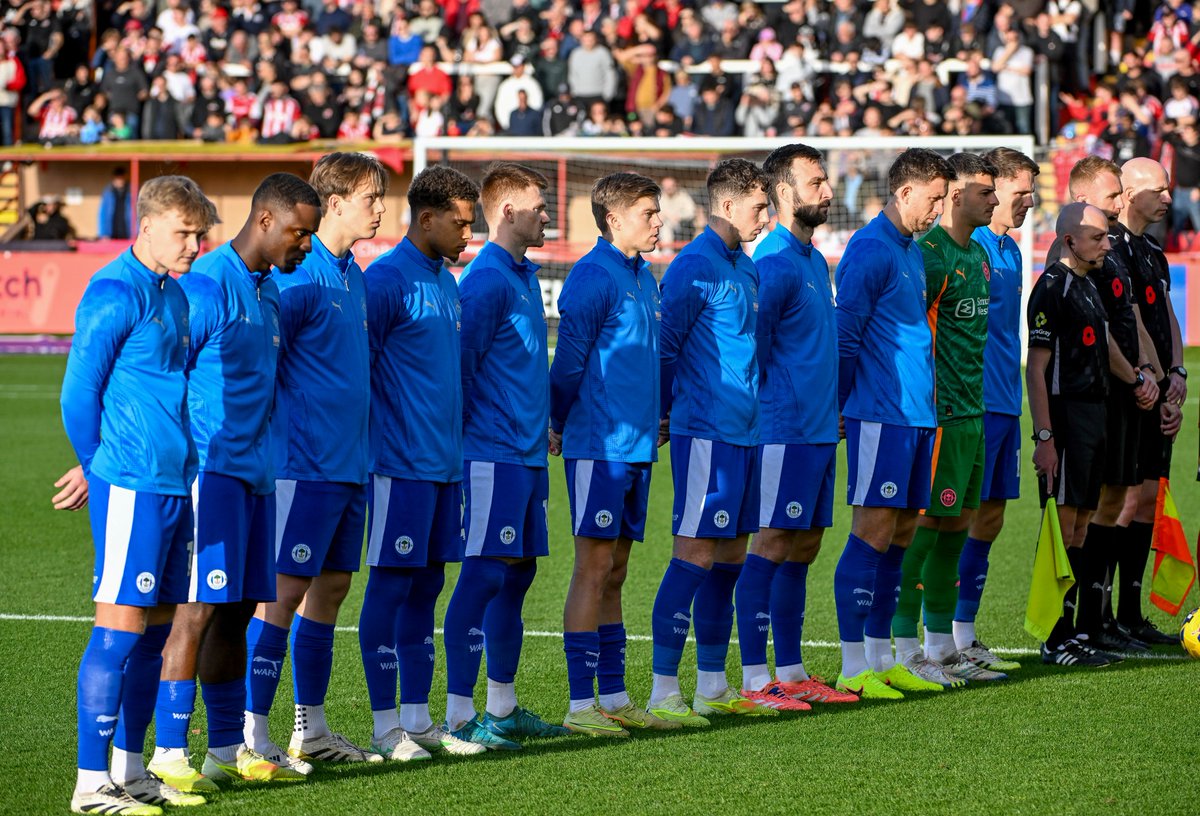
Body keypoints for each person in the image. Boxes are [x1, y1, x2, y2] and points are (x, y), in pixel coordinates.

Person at [150, 173, 322, 790]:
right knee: (196, 609)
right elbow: (163, 375)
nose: (306, 245)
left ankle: (225, 750)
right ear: (266, 220)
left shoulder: (269, 290)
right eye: (300, 233)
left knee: (239, 610)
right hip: (210, 473)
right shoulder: (206, 284)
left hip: (258, 477)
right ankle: (169, 752)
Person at [60, 175, 217, 815]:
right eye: (183, 233)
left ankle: (130, 770)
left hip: (173, 483)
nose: (194, 245)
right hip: (131, 484)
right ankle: (89, 784)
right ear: (146, 226)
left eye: (199, 234)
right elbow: (78, 393)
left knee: (155, 634)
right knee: (119, 632)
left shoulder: (173, 295)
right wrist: (95, 466)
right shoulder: (113, 291)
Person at [241, 157, 385, 769]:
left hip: (349, 465)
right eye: (371, 198)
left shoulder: (356, 276)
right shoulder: (299, 279)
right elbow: (265, 368)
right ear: (336, 203)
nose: (381, 209)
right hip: (302, 465)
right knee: (281, 595)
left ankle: (312, 729)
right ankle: (249, 732)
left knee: (331, 590)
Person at [357, 166, 487, 759]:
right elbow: (360, 371)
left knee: (429, 586)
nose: (468, 233)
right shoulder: (385, 280)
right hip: (399, 464)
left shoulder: (447, 282)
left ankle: (418, 720)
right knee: (391, 586)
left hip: (444, 465)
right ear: (427, 218)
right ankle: (385, 727)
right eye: (459, 223)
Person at [442, 162, 568, 749]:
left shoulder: (521, 276)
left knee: (519, 573)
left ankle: (503, 706)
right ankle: (458, 714)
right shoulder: (487, 280)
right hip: (491, 454)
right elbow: (461, 371)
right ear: (508, 212)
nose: (547, 214)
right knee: (485, 572)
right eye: (539, 206)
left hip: (526, 453)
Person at [550, 172, 680, 737]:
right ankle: (580, 705)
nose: (658, 221)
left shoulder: (644, 275)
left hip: (638, 446)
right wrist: (557, 423)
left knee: (617, 570)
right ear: (614, 219)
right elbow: (568, 364)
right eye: (648, 213)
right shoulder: (592, 276)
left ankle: (614, 695)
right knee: (593, 567)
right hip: (599, 446)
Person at [647, 158, 774, 727]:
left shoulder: (746, 267)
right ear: (727, 205)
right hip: (705, 434)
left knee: (731, 560)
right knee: (695, 556)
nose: (765, 218)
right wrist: (662, 413)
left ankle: (713, 686)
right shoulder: (692, 266)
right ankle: (662, 692)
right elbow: (665, 347)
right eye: (758, 207)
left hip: (746, 433)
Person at [736, 143, 860, 708]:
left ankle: (791, 671)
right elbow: (752, 353)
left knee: (804, 546)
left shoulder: (812, 259)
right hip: (782, 431)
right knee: (771, 542)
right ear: (783, 192)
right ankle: (753, 679)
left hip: (818, 430)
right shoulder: (773, 262)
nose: (828, 192)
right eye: (816, 183)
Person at [832, 148, 953, 700]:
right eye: (933, 198)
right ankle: (852, 663)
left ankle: (882, 657)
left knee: (902, 535)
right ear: (904, 192)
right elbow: (846, 335)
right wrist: (840, 404)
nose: (938, 209)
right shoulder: (870, 248)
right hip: (880, 414)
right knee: (873, 532)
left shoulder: (910, 251)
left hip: (916, 416)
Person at [889, 152, 1010, 688]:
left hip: (973, 414)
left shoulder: (978, 255)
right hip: (938, 416)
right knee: (922, 530)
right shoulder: (930, 256)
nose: (994, 201)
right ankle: (903, 646)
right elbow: (911, 338)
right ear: (956, 196)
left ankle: (942, 647)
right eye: (986, 192)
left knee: (957, 528)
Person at [1048, 157, 1158, 654]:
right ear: (1083, 198)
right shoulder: (1069, 265)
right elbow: (1099, 335)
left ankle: (1100, 619)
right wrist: (1135, 375)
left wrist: (1153, 372)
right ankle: (1071, 626)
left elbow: (1127, 321)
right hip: (1093, 399)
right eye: (1113, 194)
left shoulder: (1109, 251)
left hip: (1121, 392)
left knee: (1113, 503)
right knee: (1082, 512)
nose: (1120, 202)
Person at [958, 147, 1040, 662]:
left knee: (990, 519)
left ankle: (964, 634)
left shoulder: (1010, 250)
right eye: (1021, 191)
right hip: (971, 402)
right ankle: (933, 638)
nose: (1030, 200)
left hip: (1007, 401)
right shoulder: (972, 245)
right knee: (954, 519)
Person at [1027, 203, 1118, 667]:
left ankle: (1072, 634)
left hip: (1094, 416)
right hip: (1065, 418)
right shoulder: (1051, 288)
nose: (1106, 245)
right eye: (1097, 238)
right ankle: (1053, 639)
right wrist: (1044, 437)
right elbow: (1036, 370)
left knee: (1081, 524)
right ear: (1069, 241)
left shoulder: (1088, 284)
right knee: (1063, 527)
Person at [1112, 157, 1185, 647]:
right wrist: (1155, 378)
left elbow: (1168, 316)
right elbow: (1131, 318)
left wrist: (1177, 371)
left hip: (1159, 387)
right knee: (1123, 500)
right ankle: (1103, 616)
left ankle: (1131, 614)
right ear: (1128, 193)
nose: (1167, 198)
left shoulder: (1153, 250)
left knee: (1146, 500)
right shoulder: (1112, 245)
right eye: (1158, 189)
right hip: (1134, 391)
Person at [98, 167, 133, 240]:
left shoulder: (131, 191)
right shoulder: (108, 192)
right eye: (118, 178)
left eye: (122, 178)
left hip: (127, 232)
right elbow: (103, 214)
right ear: (114, 178)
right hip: (112, 232)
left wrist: (136, 233)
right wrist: (104, 233)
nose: (120, 181)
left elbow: (135, 213)